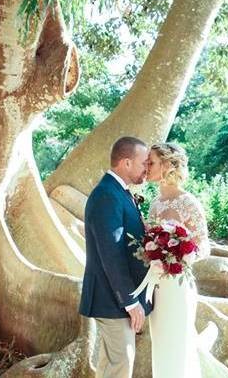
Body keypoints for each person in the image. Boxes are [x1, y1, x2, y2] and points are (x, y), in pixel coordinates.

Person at [79, 136, 152, 378]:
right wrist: (130, 301)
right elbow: (110, 253)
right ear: (127, 163)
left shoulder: (120, 193)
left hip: (115, 297)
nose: (147, 169)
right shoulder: (106, 195)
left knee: (111, 363)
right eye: (144, 163)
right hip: (110, 297)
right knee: (121, 363)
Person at [145, 142, 211, 378]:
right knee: (161, 343)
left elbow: (204, 245)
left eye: (151, 162)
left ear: (167, 165)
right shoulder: (155, 204)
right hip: (158, 287)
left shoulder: (188, 202)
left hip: (179, 284)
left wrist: (182, 257)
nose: (146, 166)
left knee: (178, 344)